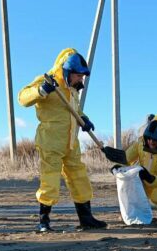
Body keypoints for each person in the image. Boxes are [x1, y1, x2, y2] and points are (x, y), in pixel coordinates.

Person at [19, 48, 107, 232]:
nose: (81, 80)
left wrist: (83, 119)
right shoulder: (48, 81)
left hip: (71, 142)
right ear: (68, 71)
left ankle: (86, 218)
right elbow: (23, 98)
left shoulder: (72, 90)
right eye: (79, 76)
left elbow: (72, 110)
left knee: (79, 177)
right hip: (50, 141)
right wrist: (41, 90)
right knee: (50, 180)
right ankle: (44, 221)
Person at [123, 115, 157, 221]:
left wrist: (151, 178)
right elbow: (126, 158)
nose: (151, 142)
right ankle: (137, 211)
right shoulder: (140, 144)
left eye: (155, 139)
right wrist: (117, 163)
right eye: (149, 138)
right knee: (127, 187)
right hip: (141, 182)